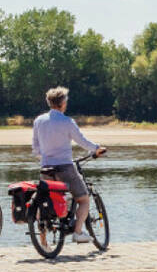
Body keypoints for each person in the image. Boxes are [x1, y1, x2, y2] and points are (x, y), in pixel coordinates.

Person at [31, 87, 106, 243]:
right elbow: (82, 141)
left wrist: (46, 157)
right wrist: (97, 148)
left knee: (46, 201)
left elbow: (36, 149)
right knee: (84, 199)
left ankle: (43, 242)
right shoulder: (67, 122)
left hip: (46, 168)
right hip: (65, 167)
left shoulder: (39, 121)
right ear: (63, 103)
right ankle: (78, 232)